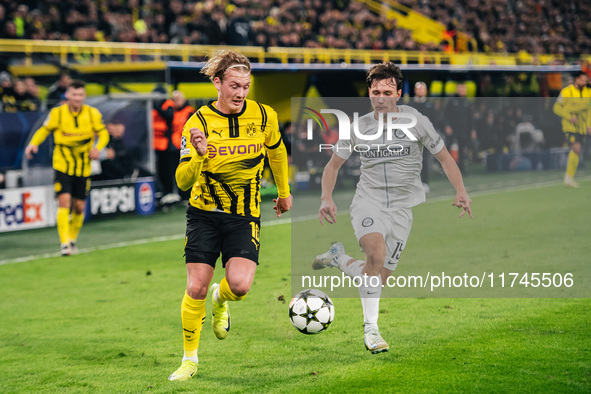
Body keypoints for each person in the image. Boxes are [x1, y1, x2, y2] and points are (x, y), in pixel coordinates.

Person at [314, 62, 472, 354]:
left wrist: (461, 190)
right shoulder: (359, 126)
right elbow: (333, 165)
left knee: (377, 276)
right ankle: (371, 331)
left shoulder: (418, 121)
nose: (381, 97)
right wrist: (327, 197)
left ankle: (338, 259)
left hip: (402, 210)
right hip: (368, 202)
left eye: (387, 91)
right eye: (375, 92)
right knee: (375, 254)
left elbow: (445, 159)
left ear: (399, 93)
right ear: (369, 94)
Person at [168, 50, 292, 381]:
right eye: (234, 86)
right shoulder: (198, 122)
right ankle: (189, 360)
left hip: (244, 215)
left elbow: (276, 151)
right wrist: (197, 154)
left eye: (246, 87)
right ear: (217, 83)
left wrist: (283, 192)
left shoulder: (264, 116)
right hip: (203, 214)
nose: (240, 93)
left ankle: (220, 300)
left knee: (239, 285)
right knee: (195, 285)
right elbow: (181, 181)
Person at [25, 79, 109, 255]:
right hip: (62, 164)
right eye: (74, 94)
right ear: (68, 95)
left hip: (83, 166)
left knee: (79, 206)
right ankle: (64, 244)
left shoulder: (92, 113)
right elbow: (44, 129)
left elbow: (103, 133)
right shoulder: (58, 113)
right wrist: (33, 143)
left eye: (80, 95)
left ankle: (72, 239)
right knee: (64, 201)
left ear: (84, 96)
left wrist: (98, 149)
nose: (77, 98)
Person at [553, 71, 591, 188]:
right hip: (569, 125)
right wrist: (569, 117)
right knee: (576, 147)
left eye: (586, 80)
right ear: (576, 79)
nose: (585, 82)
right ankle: (568, 178)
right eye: (582, 80)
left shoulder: (588, 92)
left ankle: (569, 178)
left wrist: (589, 125)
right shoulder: (566, 91)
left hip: (582, 126)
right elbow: (556, 108)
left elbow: (589, 110)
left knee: (577, 151)